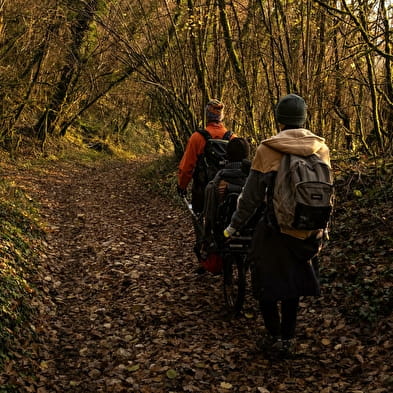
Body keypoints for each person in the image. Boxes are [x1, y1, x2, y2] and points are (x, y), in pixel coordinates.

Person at [224, 94, 331, 358]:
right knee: (292, 287)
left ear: (279, 118)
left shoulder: (268, 149)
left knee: (265, 284)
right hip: (308, 231)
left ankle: (273, 336)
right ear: (304, 118)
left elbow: (250, 197)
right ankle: (288, 339)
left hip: (275, 230)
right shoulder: (321, 148)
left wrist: (233, 228)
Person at [196, 138, 250, 274]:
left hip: (224, 230)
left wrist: (207, 236)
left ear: (227, 155)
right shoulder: (253, 177)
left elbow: (209, 214)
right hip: (250, 228)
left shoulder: (217, 181)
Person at [177, 99, 235, 215]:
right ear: (221, 117)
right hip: (226, 192)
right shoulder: (233, 138)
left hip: (202, 192)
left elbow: (186, 167)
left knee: (200, 222)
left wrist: (182, 186)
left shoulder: (197, 138)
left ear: (206, 116)